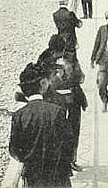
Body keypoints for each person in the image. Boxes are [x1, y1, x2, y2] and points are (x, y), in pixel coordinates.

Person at [9, 62, 74, 187]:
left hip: (33, 176)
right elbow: (68, 143)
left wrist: (29, 159)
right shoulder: (57, 111)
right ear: (42, 84)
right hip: (57, 174)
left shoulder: (19, 115)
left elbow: (14, 150)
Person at [37, 36, 87, 173]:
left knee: (55, 132)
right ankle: (70, 161)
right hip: (69, 100)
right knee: (71, 131)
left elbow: (40, 82)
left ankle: (60, 162)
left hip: (53, 102)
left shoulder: (43, 59)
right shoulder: (70, 57)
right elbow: (81, 78)